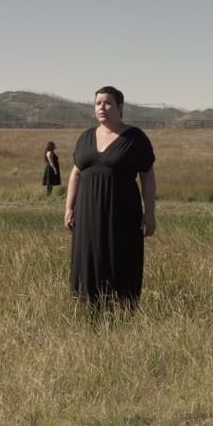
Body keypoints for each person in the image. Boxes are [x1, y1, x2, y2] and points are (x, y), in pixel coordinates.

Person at [65, 86, 157, 308]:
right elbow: (76, 173)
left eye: (107, 103)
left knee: (121, 256)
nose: (102, 108)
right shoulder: (86, 137)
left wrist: (150, 213)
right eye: (98, 103)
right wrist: (69, 208)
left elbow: (147, 176)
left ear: (120, 107)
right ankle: (87, 307)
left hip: (122, 212)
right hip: (87, 213)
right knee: (88, 256)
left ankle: (121, 308)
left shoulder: (135, 138)